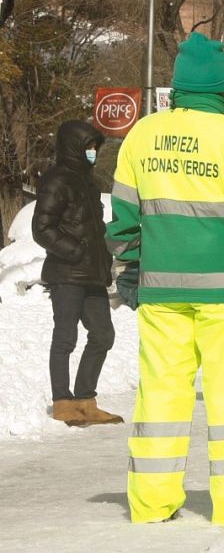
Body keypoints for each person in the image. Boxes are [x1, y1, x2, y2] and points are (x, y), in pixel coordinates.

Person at [106, 32, 224, 524]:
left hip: (163, 291)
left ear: (178, 86)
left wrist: (131, 267)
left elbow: (123, 218)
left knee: (161, 393)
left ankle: (150, 504)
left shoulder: (142, 135)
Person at [35, 119, 121, 427]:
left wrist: (103, 264)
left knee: (103, 335)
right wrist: (76, 252)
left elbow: (94, 230)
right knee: (65, 337)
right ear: (73, 146)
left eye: (95, 147)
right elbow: (41, 229)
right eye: (88, 147)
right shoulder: (57, 180)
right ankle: (62, 401)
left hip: (92, 275)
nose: (93, 152)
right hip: (67, 273)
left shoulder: (89, 182)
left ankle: (85, 400)